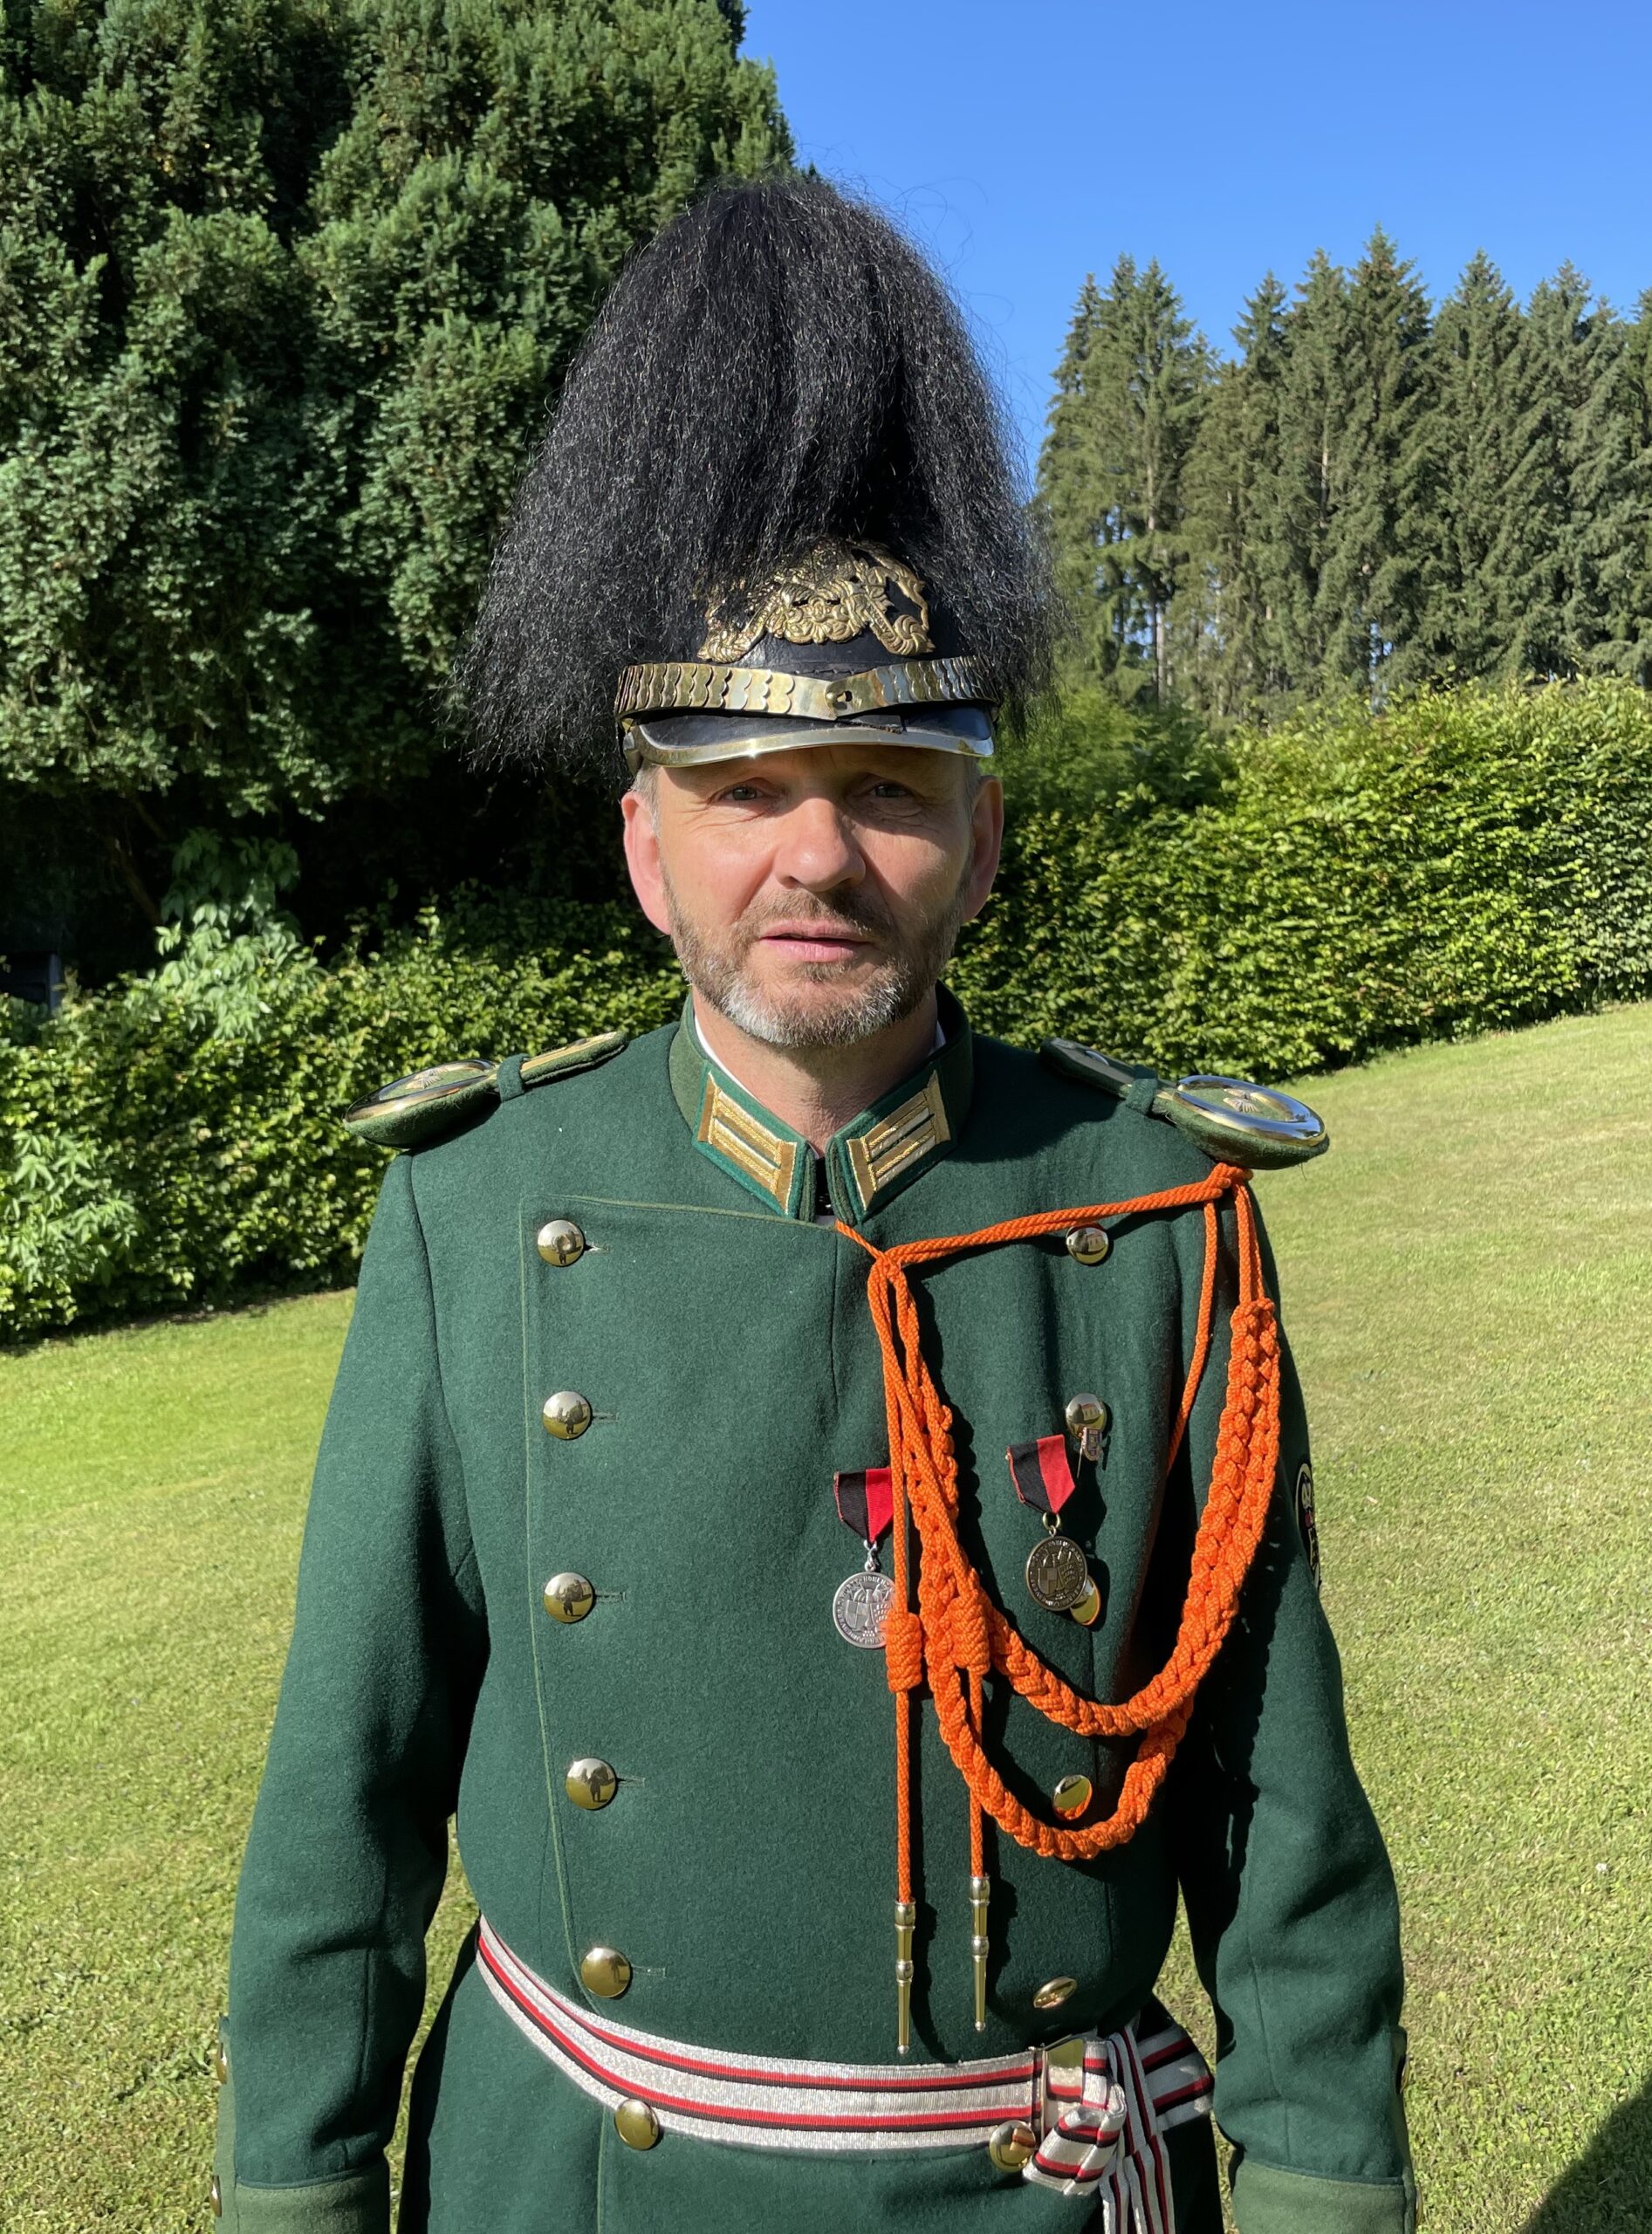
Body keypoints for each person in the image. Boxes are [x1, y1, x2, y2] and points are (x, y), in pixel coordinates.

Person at [212, 176, 1416, 2234]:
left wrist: (1319, 2185)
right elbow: (345, 1793)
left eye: (883, 789)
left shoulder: (1156, 1204)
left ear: (980, 835)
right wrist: (293, 2193)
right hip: (583, 2185)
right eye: (743, 793)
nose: (816, 858)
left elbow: (1270, 1796)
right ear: (642, 846)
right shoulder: (480, 1207)